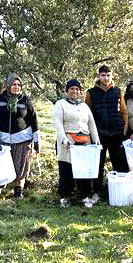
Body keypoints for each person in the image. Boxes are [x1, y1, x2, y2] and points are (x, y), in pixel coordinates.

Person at [0, 73, 40, 199]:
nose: (16, 86)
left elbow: (34, 121)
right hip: (4, 140)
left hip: (23, 140)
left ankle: (18, 191)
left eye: (18, 84)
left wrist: (37, 141)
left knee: (21, 167)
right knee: (2, 167)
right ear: (7, 85)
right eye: (13, 84)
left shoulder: (25, 100)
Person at [54, 79, 101, 208]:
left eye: (77, 89)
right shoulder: (60, 104)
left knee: (84, 169)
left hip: (84, 141)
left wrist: (96, 139)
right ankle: (65, 197)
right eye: (72, 89)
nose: (75, 91)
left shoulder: (84, 106)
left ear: (80, 91)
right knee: (66, 170)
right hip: (68, 142)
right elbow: (58, 123)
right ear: (67, 91)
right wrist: (64, 139)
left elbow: (91, 123)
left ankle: (85, 195)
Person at [85, 65, 130, 200]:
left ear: (112, 76)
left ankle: (121, 190)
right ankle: (97, 192)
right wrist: (91, 134)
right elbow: (88, 113)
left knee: (119, 162)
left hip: (117, 133)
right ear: (98, 76)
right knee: (98, 163)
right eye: (103, 75)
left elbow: (124, 111)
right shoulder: (91, 92)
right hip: (99, 134)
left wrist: (124, 130)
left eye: (108, 75)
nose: (106, 78)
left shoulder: (118, 91)